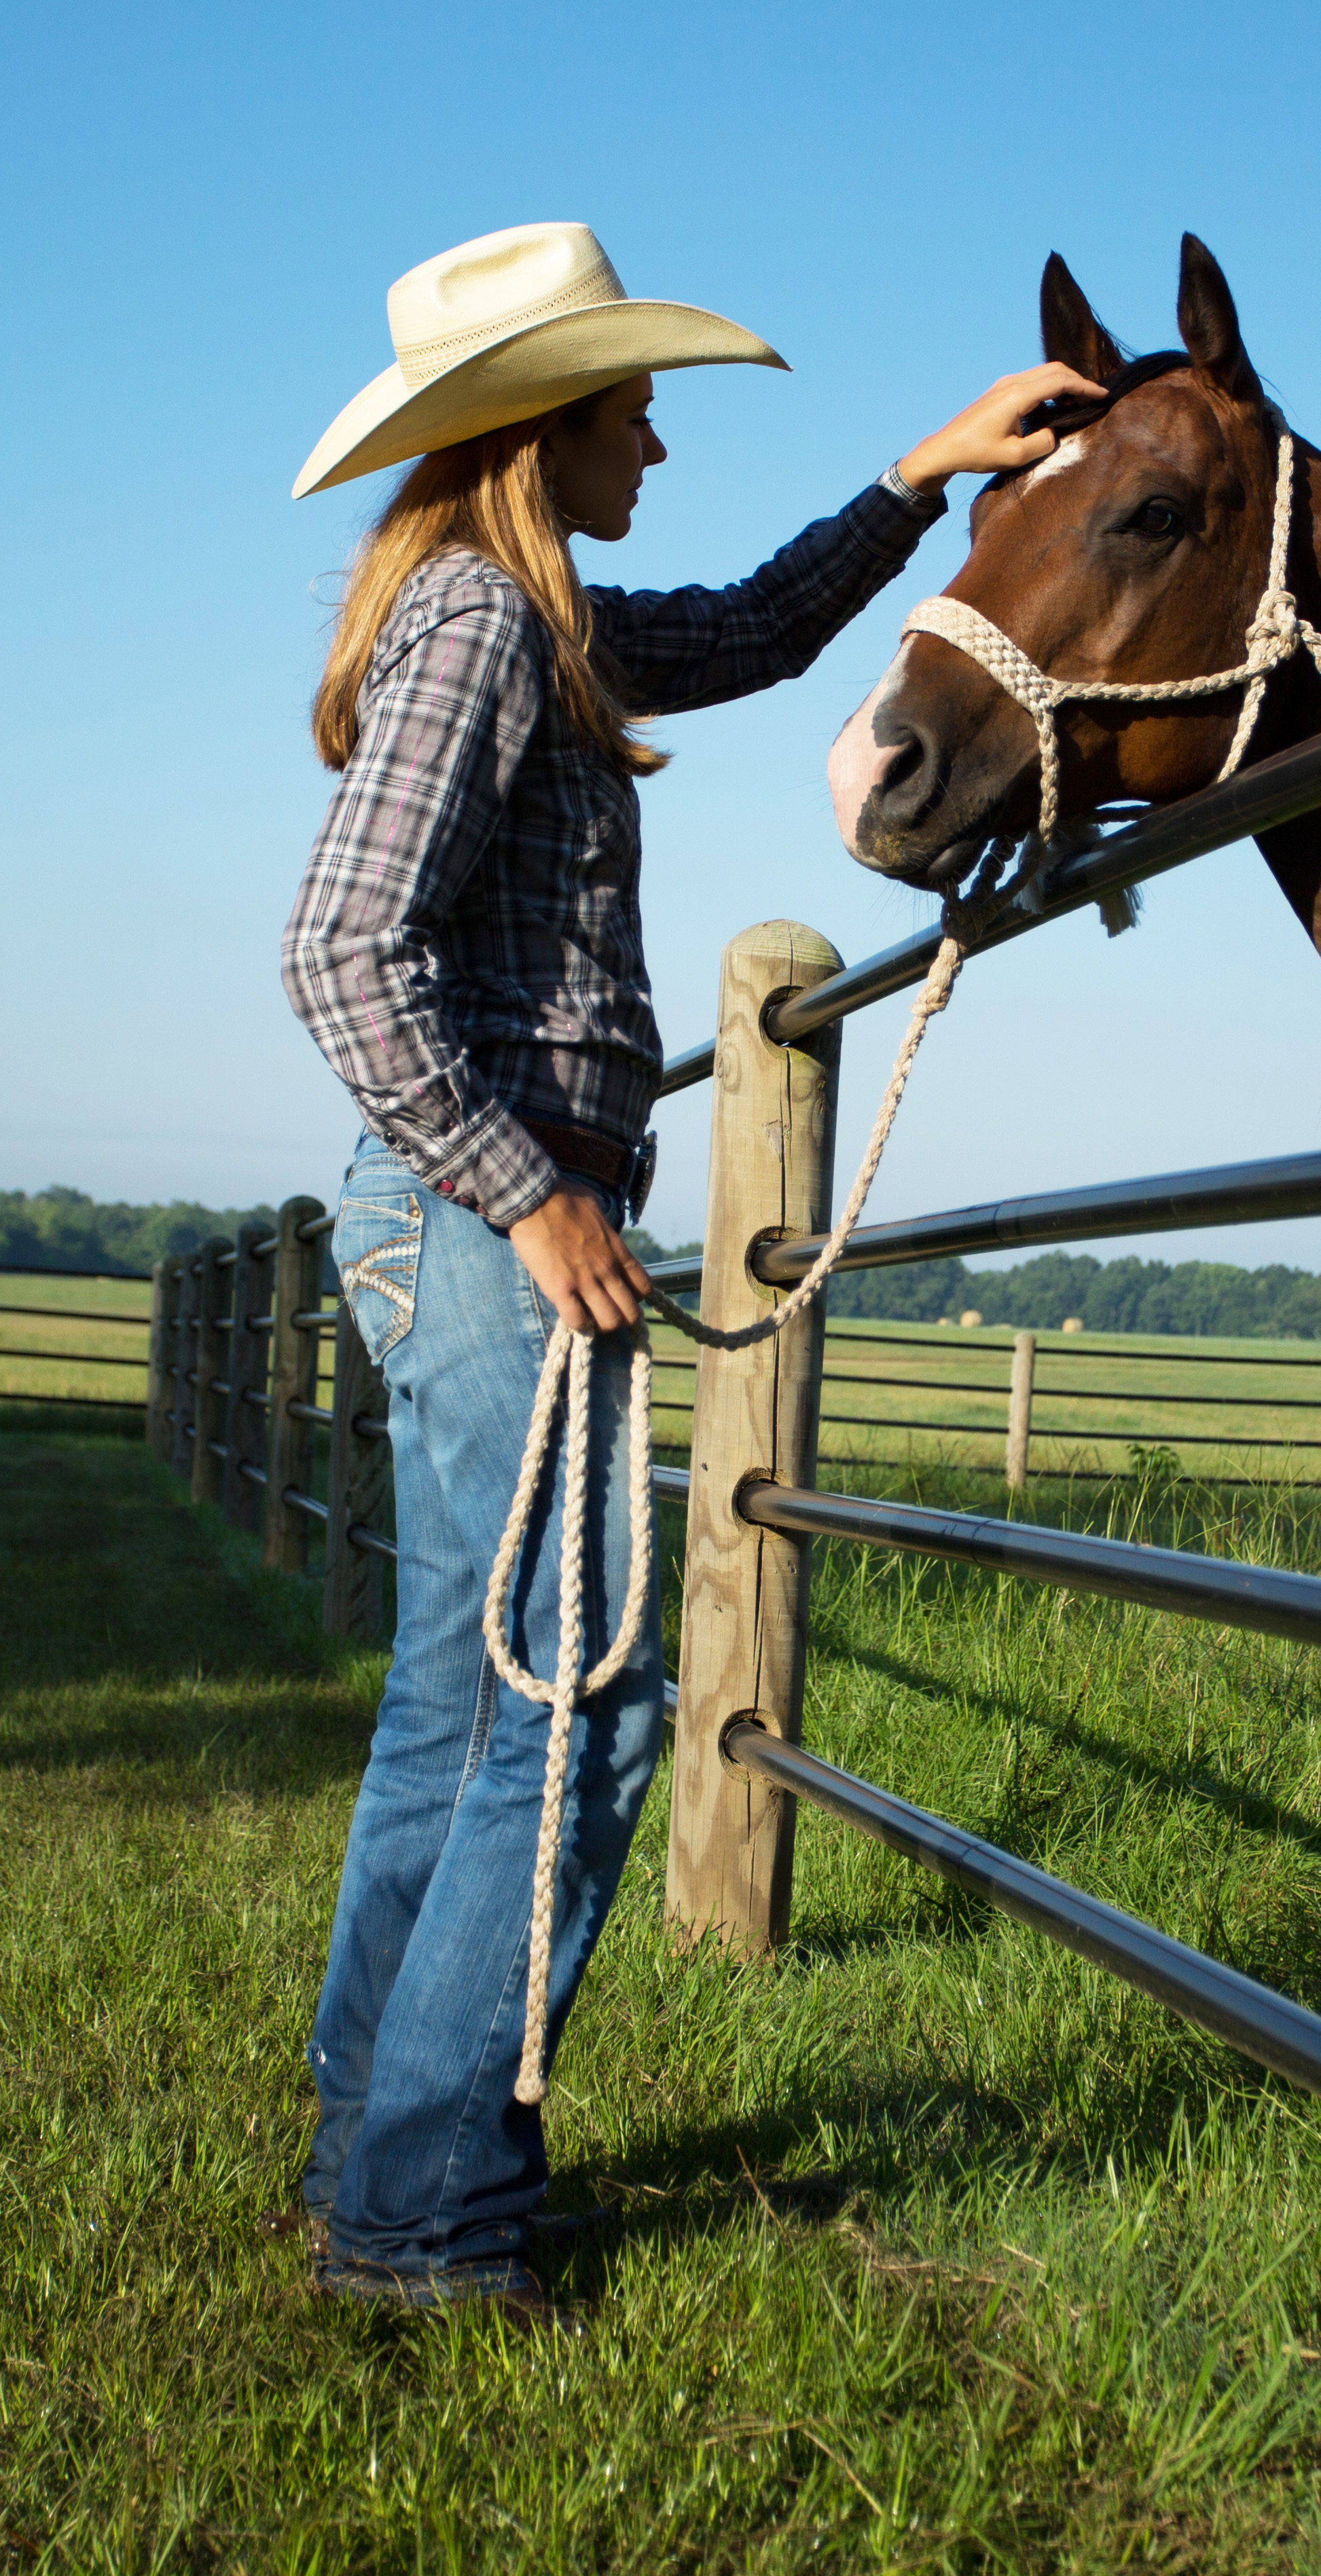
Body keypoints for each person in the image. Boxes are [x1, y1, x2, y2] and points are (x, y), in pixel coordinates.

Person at [278, 222, 1093, 2321]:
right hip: (489, 1214)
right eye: (635, 398)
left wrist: (924, 480)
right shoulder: (480, 623)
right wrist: (530, 1195)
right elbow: (339, 950)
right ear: (550, 422)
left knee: (471, 1700)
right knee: (582, 1708)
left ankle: (369, 2141)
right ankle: (431, 2210)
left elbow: (740, 628)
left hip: (446, 1205)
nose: (659, 427)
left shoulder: (515, 617)